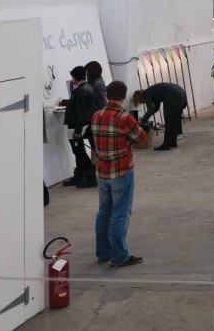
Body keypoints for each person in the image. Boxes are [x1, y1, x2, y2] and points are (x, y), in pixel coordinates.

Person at [91, 80, 147, 267]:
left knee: (104, 212)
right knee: (120, 213)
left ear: (107, 95)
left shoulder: (96, 115)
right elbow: (141, 138)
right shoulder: (124, 118)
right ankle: (119, 256)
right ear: (123, 97)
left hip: (102, 172)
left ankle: (103, 252)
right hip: (121, 171)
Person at [61, 66, 99, 188]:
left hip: (76, 127)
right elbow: (81, 105)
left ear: (75, 77)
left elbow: (81, 112)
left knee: (79, 152)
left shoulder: (81, 91)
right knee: (78, 152)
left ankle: (90, 177)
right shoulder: (87, 88)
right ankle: (80, 175)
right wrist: (66, 102)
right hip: (79, 125)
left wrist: (77, 131)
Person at [134, 82, 188, 151]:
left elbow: (150, 110)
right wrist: (145, 118)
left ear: (140, 98)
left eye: (140, 102)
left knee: (169, 120)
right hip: (181, 93)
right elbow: (156, 108)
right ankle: (172, 142)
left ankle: (166, 145)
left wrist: (142, 121)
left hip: (173, 96)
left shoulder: (146, 94)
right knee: (174, 119)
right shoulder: (153, 91)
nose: (142, 103)